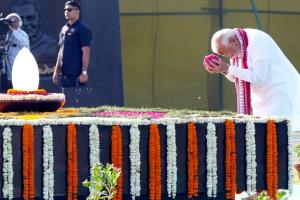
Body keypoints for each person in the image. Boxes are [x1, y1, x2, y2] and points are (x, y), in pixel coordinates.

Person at [203, 28, 300, 132]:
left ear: (233, 41)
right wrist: (223, 70)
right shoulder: (238, 45)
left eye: (226, 52)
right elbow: (240, 78)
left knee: (281, 133)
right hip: (260, 97)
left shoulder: (257, 41)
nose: (228, 56)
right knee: (263, 134)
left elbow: (259, 77)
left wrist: (227, 68)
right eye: (223, 55)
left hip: (280, 92)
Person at [52, 0, 92, 89]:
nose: (66, 12)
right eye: (65, 10)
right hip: (64, 74)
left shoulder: (82, 29)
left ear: (77, 11)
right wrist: (56, 71)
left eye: (69, 10)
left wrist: (84, 72)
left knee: (78, 101)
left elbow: (86, 51)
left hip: (76, 75)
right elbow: (61, 51)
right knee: (66, 100)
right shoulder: (64, 29)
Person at [11, 0, 57, 66]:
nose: (25, 23)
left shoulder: (51, 47)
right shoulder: (9, 45)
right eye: (20, 19)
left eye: (30, 18)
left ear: (39, 19)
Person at [2, 13, 29, 90]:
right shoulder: (6, 34)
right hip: (7, 66)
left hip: (19, 66)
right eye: (11, 22)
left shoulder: (23, 34)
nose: (13, 23)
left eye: (15, 21)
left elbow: (24, 43)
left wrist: (14, 31)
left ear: (19, 22)